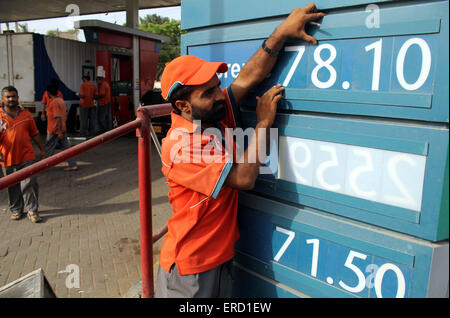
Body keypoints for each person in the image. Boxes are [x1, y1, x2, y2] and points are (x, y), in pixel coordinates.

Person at [155, 4, 325, 298]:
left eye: (216, 86)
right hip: (189, 271)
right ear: (183, 106)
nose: (219, 95)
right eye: (208, 93)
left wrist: (280, 34)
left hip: (217, 260)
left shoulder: (210, 115)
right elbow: (245, 177)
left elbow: (248, 77)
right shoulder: (181, 145)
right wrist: (263, 122)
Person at [0, 86, 46, 223]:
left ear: (18, 98)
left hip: (27, 156)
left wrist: (42, 149)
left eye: (13, 96)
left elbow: (35, 134)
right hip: (7, 158)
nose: (11, 99)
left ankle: (32, 210)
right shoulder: (0, 116)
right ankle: (16, 210)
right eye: (8, 97)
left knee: (30, 183)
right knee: (12, 186)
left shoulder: (26, 115)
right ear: (3, 99)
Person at [45, 85, 78, 171]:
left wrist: (59, 131)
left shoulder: (54, 102)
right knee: (66, 148)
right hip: (62, 128)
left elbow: (58, 117)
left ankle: (43, 166)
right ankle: (73, 164)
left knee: (48, 149)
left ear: (48, 93)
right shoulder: (61, 100)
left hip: (54, 130)